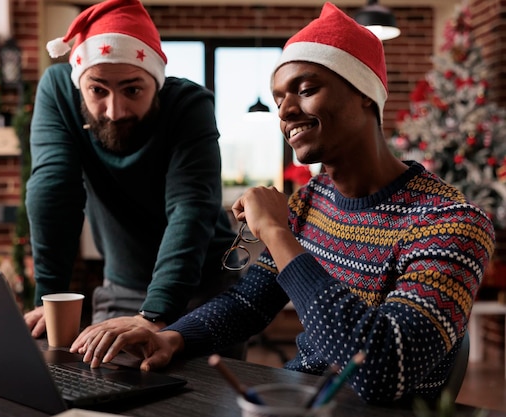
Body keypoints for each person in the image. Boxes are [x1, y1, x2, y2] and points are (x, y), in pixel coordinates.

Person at [70, 2, 496, 405]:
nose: (286, 111)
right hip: (298, 397)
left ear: (365, 92)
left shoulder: (452, 223)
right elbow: (248, 303)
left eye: (306, 89)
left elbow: (384, 371)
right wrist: (172, 337)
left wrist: (276, 232)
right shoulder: (313, 201)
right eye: (278, 99)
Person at [24, 0, 238, 349]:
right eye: (97, 90)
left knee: (204, 400)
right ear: (81, 84)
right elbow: (53, 191)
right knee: (102, 392)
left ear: (156, 81)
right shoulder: (59, 92)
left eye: (132, 90)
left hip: (202, 288)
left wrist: (155, 315)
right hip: (121, 284)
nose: (114, 110)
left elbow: (190, 207)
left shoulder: (189, 106)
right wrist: (50, 299)